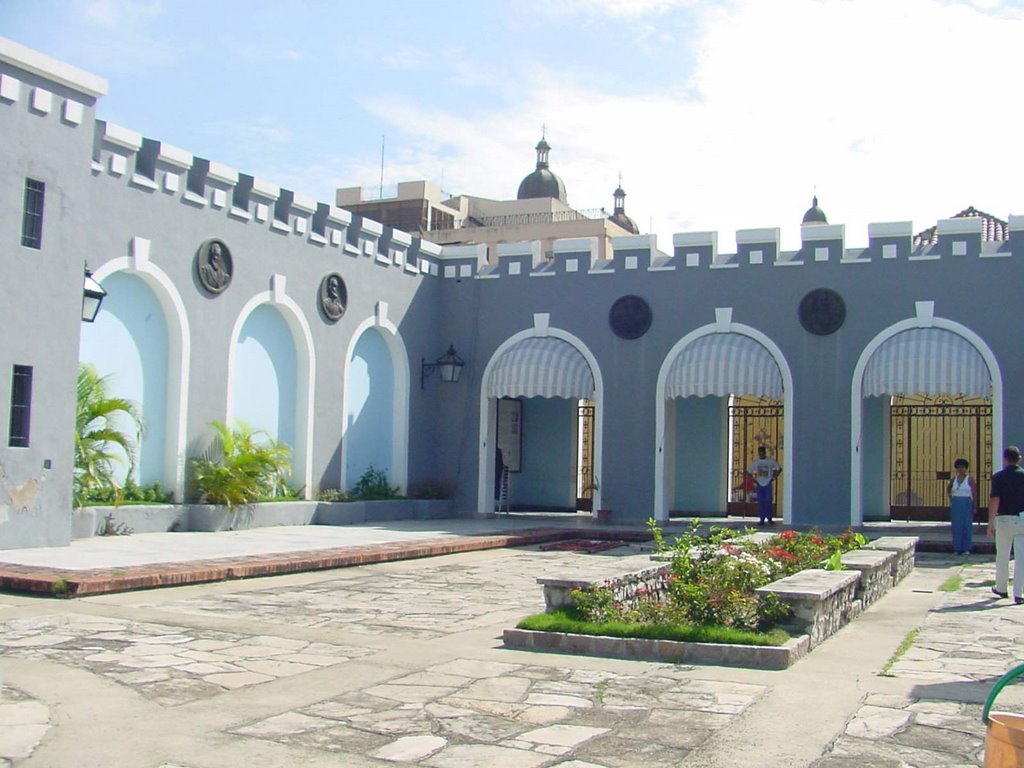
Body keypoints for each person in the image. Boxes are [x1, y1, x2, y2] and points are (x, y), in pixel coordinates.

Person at [987, 446, 1024, 603]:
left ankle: (1001, 587)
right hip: (1022, 518)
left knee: (1002, 555)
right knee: (1021, 557)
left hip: (1003, 519)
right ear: (1019, 458)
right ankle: (1019, 592)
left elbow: (995, 499)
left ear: (1005, 459)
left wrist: (991, 523)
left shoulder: (998, 477)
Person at [746, 446, 781, 525]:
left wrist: (773, 477)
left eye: (762, 453)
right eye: (760, 453)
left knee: (768, 501)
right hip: (759, 483)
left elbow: (779, 468)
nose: (761, 454)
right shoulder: (756, 462)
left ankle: (769, 518)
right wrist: (754, 480)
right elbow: (748, 472)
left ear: (764, 453)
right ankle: (762, 518)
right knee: (761, 502)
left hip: (768, 482)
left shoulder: (770, 461)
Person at [948, 458, 976, 556]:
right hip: (956, 504)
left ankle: (966, 548)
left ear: (966, 468)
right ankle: (957, 548)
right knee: (956, 526)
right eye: (959, 467)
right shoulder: (954, 479)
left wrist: (975, 506)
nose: (961, 469)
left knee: (967, 526)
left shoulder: (970, 479)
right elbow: (949, 488)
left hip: (967, 503)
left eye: (963, 467)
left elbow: (974, 493)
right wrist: (951, 499)